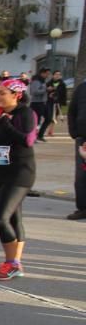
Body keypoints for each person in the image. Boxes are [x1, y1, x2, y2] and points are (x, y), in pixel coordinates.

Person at [0, 78, 37, 280]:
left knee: (0, 217)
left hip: (21, 172)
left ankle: (12, 263)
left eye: (2, 93)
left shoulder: (25, 113)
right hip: (3, 172)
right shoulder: (2, 116)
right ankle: (14, 262)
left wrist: (5, 123)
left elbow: (27, 140)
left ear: (16, 95)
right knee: (14, 218)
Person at [68, 80, 86, 220]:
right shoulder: (82, 88)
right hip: (82, 138)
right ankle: (83, 208)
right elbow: (72, 111)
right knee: (81, 175)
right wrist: (74, 132)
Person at [44, 70, 66, 138]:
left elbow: (63, 94)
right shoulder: (48, 83)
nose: (57, 76)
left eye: (59, 74)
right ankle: (44, 130)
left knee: (54, 117)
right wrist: (49, 94)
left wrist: (62, 101)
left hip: (57, 102)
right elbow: (44, 91)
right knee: (49, 116)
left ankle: (51, 131)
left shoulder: (62, 84)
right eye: (56, 74)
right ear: (53, 75)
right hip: (49, 102)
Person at [28, 69, 49, 141]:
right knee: (36, 121)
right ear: (42, 73)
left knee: (48, 118)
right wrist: (46, 90)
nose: (47, 75)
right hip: (36, 103)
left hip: (42, 102)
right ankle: (34, 136)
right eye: (46, 74)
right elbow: (34, 92)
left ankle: (39, 135)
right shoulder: (36, 81)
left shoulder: (43, 81)